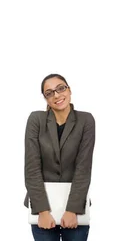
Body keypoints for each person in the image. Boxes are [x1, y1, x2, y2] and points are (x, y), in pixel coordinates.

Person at [24, 74, 95, 241]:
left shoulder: (86, 120)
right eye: (49, 93)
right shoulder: (36, 120)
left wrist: (72, 210)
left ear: (69, 90)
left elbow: (83, 168)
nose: (56, 95)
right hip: (42, 208)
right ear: (45, 98)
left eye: (61, 88)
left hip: (75, 208)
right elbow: (31, 168)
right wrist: (43, 211)